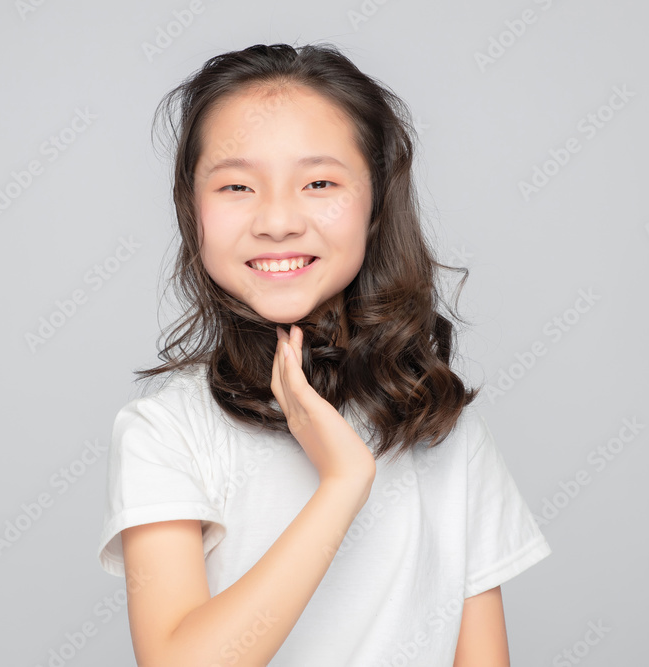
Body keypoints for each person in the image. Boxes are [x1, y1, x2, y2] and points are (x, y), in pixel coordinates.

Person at [96, 42, 551, 666]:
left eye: (318, 182)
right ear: (191, 209)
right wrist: (342, 485)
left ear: (374, 206)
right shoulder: (166, 432)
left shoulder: (440, 424)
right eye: (236, 184)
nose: (278, 220)